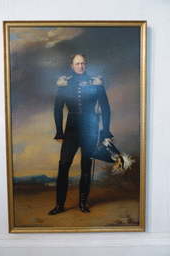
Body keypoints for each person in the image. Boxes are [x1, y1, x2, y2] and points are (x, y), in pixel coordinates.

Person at [48, 54, 113, 215]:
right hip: (71, 130)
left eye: (83, 63)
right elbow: (57, 109)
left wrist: (105, 131)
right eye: (77, 63)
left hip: (90, 129)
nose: (81, 66)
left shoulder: (96, 83)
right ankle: (60, 205)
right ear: (72, 65)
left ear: (86, 65)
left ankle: (83, 203)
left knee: (86, 167)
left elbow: (105, 108)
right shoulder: (64, 84)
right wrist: (59, 132)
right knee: (63, 166)